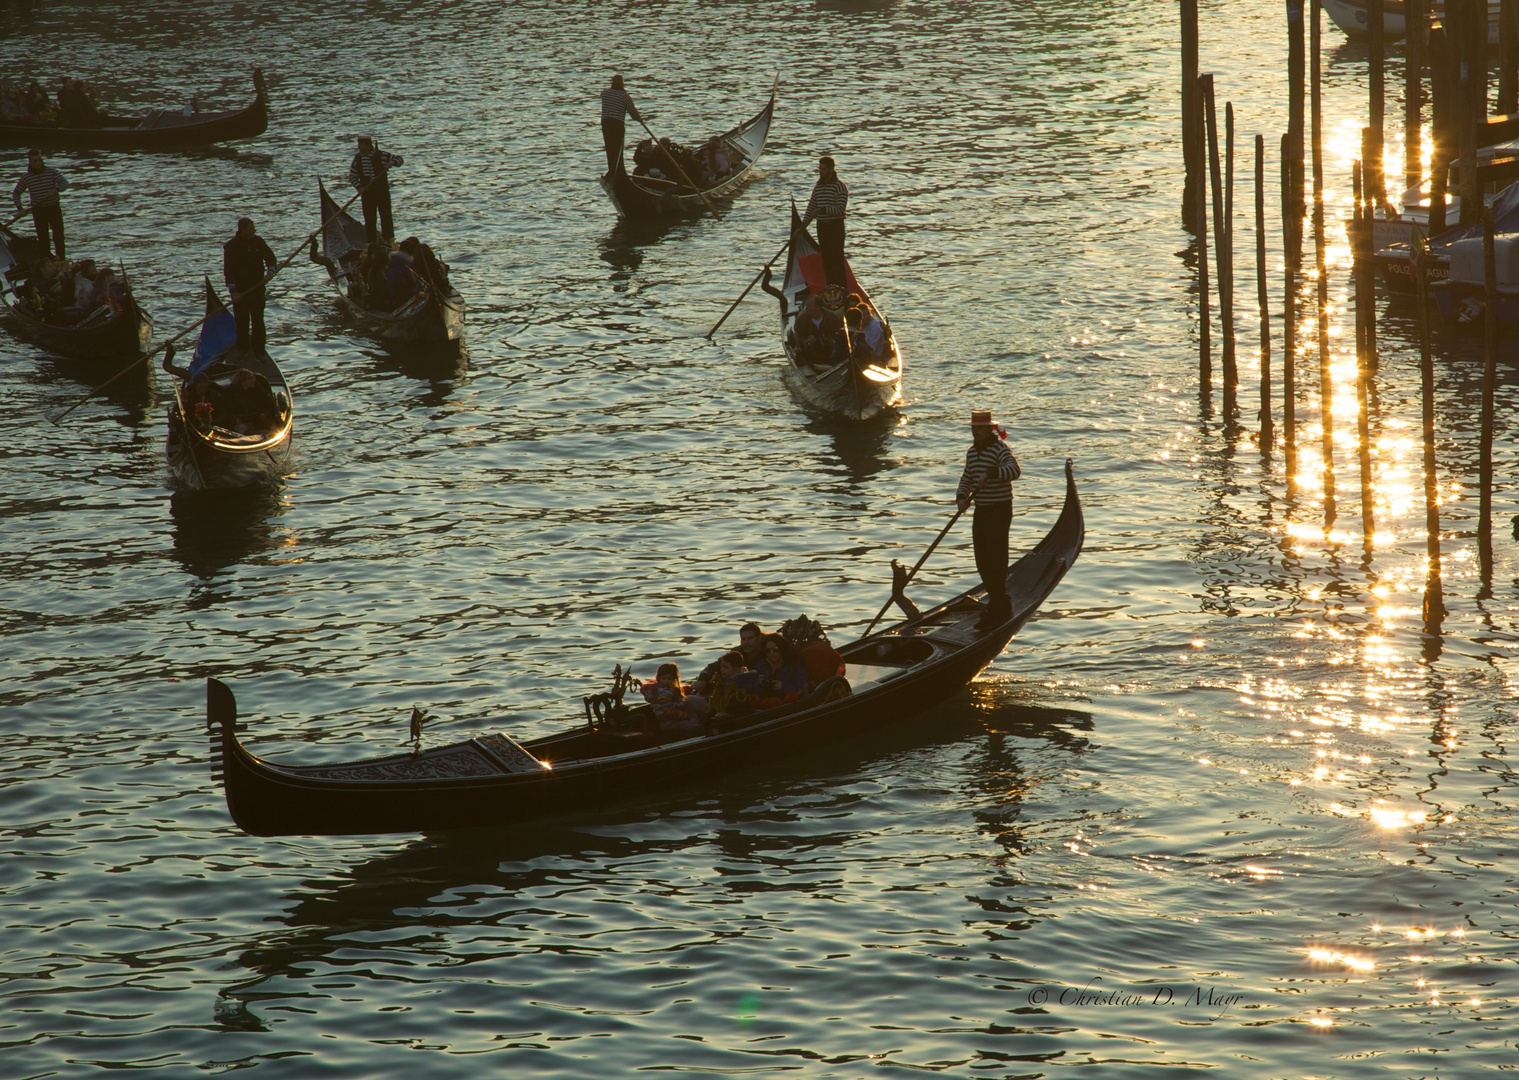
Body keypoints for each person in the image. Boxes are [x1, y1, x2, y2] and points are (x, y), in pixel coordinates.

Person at [956, 409, 1023, 628]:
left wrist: (992, 473)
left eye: (979, 429)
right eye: (973, 428)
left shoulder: (999, 449)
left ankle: (998, 602)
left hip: (1000, 509)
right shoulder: (972, 452)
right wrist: (961, 498)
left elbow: (1015, 470)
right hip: (982, 510)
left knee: (995, 557)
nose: (976, 432)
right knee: (981, 559)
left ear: (988, 430)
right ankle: (998, 598)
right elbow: (967, 477)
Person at [222, 217, 278, 353]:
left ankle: (259, 351)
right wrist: (234, 292)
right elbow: (228, 272)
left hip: (257, 289)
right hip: (240, 292)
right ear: (242, 231)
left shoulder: (258, 242)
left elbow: (271, 259)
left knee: (258, 322)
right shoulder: (231, 247)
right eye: (250, 229)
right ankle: (243, 351)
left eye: (253, 229)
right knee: (242, 323)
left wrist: (271, 272)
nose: (253, 231)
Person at [799, 155, 849, 290]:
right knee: (826, 260)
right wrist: (803, 226)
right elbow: (811, 206)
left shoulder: (840, 186)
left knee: (836, 259)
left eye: (823, 169)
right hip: (822, 227)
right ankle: (831, 289)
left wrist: (822, 210)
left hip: (835, 227)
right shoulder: (818, 186)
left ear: (831, 169)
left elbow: (840, 209)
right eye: (819, 168)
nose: (820, 171)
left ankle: (842, 289)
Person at [12, 149, 68, 259]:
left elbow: (64, 183)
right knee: (43, 239)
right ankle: (47, 262)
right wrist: (20, 208)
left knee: (58, 236)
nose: (38, 163)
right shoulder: (26, 178)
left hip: (53, 208)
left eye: (40, 160)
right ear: (30, 162)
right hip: (39, 211)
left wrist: (56, 189)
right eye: (35, 161)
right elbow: (16, 193)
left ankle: (61, 260)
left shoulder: (52, 172)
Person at [347, 135, 404, 242]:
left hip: (382, 192)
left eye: (361, 145)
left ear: (368, 145)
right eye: (359, 144)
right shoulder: (357, 159)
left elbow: (400, 159)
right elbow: (352, 177)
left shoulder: (382, 155)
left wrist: (392, 162)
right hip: (367, 194)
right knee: (370, 220)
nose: (359, 147)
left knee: (386, 218)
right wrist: (359, 187)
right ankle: (371, 244)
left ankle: (389, 242)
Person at [692, 622, 766, 697]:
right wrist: (703, 680)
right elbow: (714, 666)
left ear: (759, 639)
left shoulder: (769, 653)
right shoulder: (736, 653)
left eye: (750, 638)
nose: (746, 642)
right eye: (743, 639)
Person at [640, 663, 706, 735]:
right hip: (668, 721)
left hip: (666, 719)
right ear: (659, 678)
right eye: (664, 678)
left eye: (669, 679)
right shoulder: (664, 693)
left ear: (673, 679)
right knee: (695, 724)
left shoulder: (658, 690)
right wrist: (685, 716)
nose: (666, 681)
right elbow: (669, 711)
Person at [600, 74, 643, 173]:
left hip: (606, 124)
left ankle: (612, 169)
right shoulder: (625, 96)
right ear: (623, 84)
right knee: (618, 149)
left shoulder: (605, 93)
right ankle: (618, 170)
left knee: (609, 148)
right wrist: (640, 119)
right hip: (617, 124)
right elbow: (633, 113)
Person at [756, 634, 809, 705]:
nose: (771, 653)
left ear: (781, 649)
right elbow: (755, 692)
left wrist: (783, 687)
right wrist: (759, 684)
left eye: (775, 649)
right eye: (768, 651)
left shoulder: (794, 665)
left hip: (791, 704)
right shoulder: (761, 666)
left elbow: (800, 687)